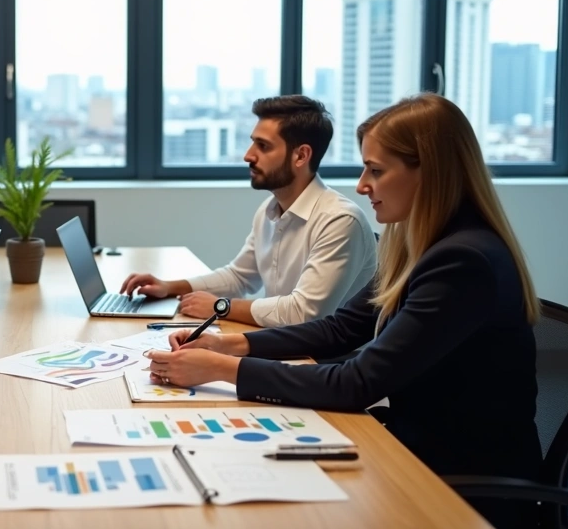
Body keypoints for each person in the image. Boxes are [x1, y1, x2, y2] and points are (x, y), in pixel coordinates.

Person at [146, 93, 541, 528]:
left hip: (457, 483)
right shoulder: (419, 245)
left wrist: (222, 369)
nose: (361, 185)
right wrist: (230, 345)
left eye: (376, 170)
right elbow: (341, 328)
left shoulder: (462, 262)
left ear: (429, 172)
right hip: (412, 449)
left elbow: (357, 383)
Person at [121, 95, 376, 328]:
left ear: (301, 156)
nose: (248, 156)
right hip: (284, 344)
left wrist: (221, 307)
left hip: (327, 358)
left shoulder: (340, 221)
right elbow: (239, 277)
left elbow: (303, 313)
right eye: (253, 143)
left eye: (263, 146)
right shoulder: (270, 209)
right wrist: (169, 287)